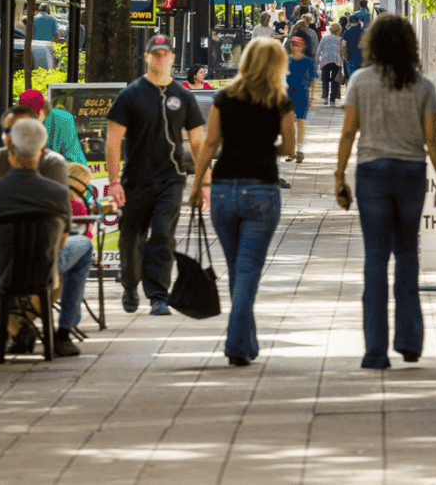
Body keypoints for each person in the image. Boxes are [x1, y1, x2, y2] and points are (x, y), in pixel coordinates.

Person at [334, 15, 436, 370]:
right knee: (407, 254)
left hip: (372, 174)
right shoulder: (423, 85)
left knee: (375, 259)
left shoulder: (359, 82)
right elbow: (432, 138)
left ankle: (375, 351)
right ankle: (410, 340)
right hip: (411, 173)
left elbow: (348, 133)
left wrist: (340, 177)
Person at [188, 38, 295, 366]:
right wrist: (266, 150)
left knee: (237, 268)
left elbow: (210, 142)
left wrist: (197, 184)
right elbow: (289, 148)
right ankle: (238, 342)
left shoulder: (224, 98)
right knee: (248, 268)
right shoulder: (280, 101)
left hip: (223, 189)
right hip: (261, 187)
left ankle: (246, 343)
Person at [106, 32, 207, 316]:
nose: (161, 59)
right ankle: (129, 285)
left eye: (165, 55)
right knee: (131, 238)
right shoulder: (130, 95)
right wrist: (114, 181)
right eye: (156, 55)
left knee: (163, 235)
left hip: (171, 179)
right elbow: (113, 140)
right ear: (147, 57)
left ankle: (158, 296)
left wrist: (204, 182)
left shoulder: (183, 96)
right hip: (136, 180)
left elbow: (198, 142)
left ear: (173, 58)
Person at [0, 116, 92, 357]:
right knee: (85, 246)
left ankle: (3, 330)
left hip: (0, 270)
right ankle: (63, 331)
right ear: (40, 151)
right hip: (44, 269)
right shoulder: (59, 193)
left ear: (11, 149)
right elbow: (62, 239)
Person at [16, 88, 88, 166]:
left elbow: (73, 155)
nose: (33, 118)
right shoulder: (17, 123)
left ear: (44, 109)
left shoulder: (62, 119)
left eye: (36, 113)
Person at [285, 35, 315, 163]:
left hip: (302, 95)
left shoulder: (308, 61)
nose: (295, 47)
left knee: (301, 122)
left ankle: (300, 150)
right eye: (293, 45)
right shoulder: (286, 61)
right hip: (288, 95)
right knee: (289, 124)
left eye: (298, 45)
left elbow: (313, 80)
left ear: (302, 47)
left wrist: (313, 96)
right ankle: (291, 151)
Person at [315, 23, 345, 107]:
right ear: (338, 30)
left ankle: (325, 98)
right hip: (336, 61)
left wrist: (317, 61)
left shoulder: (324, 38)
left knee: (325, 80)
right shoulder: (340, 39)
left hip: (325, 60)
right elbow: (342, 52)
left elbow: (319, 50)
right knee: (335, 82)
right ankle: (332, 100)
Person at [342, 14, 365, 80]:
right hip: (362, 58)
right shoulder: (363, 32)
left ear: (349, 22)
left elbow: (343, 45)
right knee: (362, 79)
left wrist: (345, 56)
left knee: (353, 79)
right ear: (358, 22)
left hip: (350, 58)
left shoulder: (346, 33)